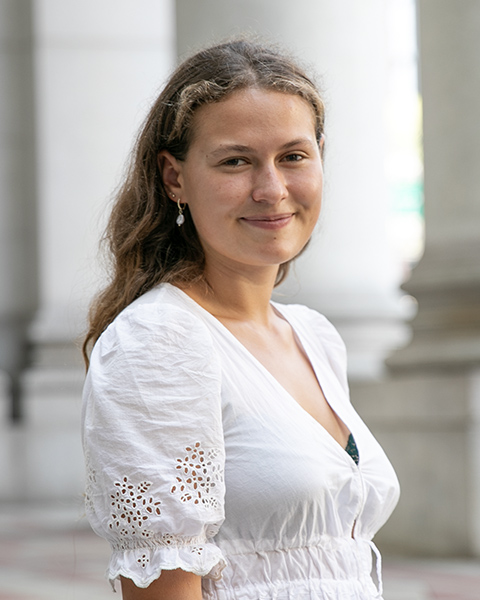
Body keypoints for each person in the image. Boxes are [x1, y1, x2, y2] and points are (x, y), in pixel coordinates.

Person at [81, 39, 400, 600]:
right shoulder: (158, 343)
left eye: (293, 156)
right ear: (174, 178)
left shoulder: (314, 336)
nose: (272, 190)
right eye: (236, 160)